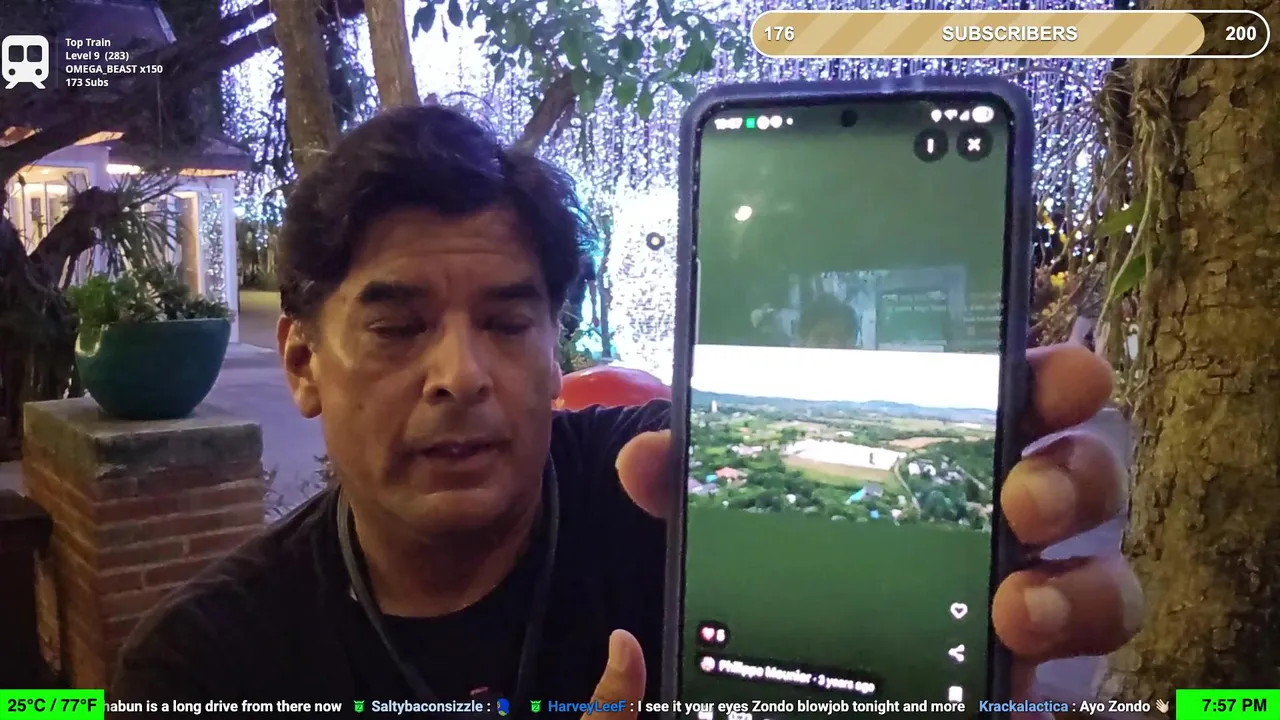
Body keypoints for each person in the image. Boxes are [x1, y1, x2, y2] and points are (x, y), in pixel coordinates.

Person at [111, 105, 1142, 718]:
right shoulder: (203, 669)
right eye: (396, 326)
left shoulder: (660, 499)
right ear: (302, 362)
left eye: (507, 322)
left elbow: (776, 457)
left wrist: (927, 487)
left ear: (557, 349)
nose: (460, 374)